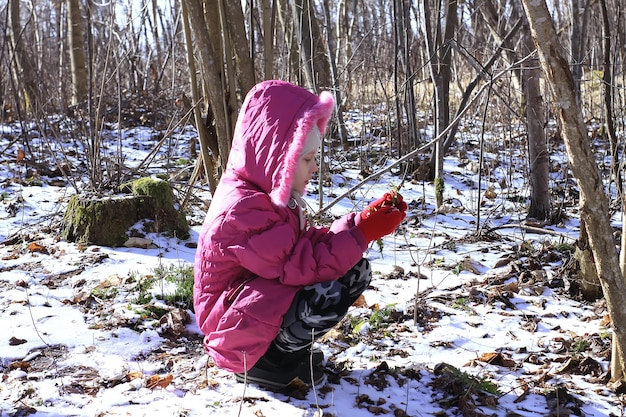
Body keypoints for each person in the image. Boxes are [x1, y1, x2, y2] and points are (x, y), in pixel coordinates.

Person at [193, 80, 407, 391]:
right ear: (279, 159)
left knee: (353, 271)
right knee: (325, 295)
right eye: (306, 159)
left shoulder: (268, 197)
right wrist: (361, 234)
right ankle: (266, 362)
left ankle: (283, 351)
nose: (315, 166)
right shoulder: (243, 209)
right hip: (231, 333)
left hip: (248, 314)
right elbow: (298, 264)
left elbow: (302, 247)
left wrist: (360, 222)